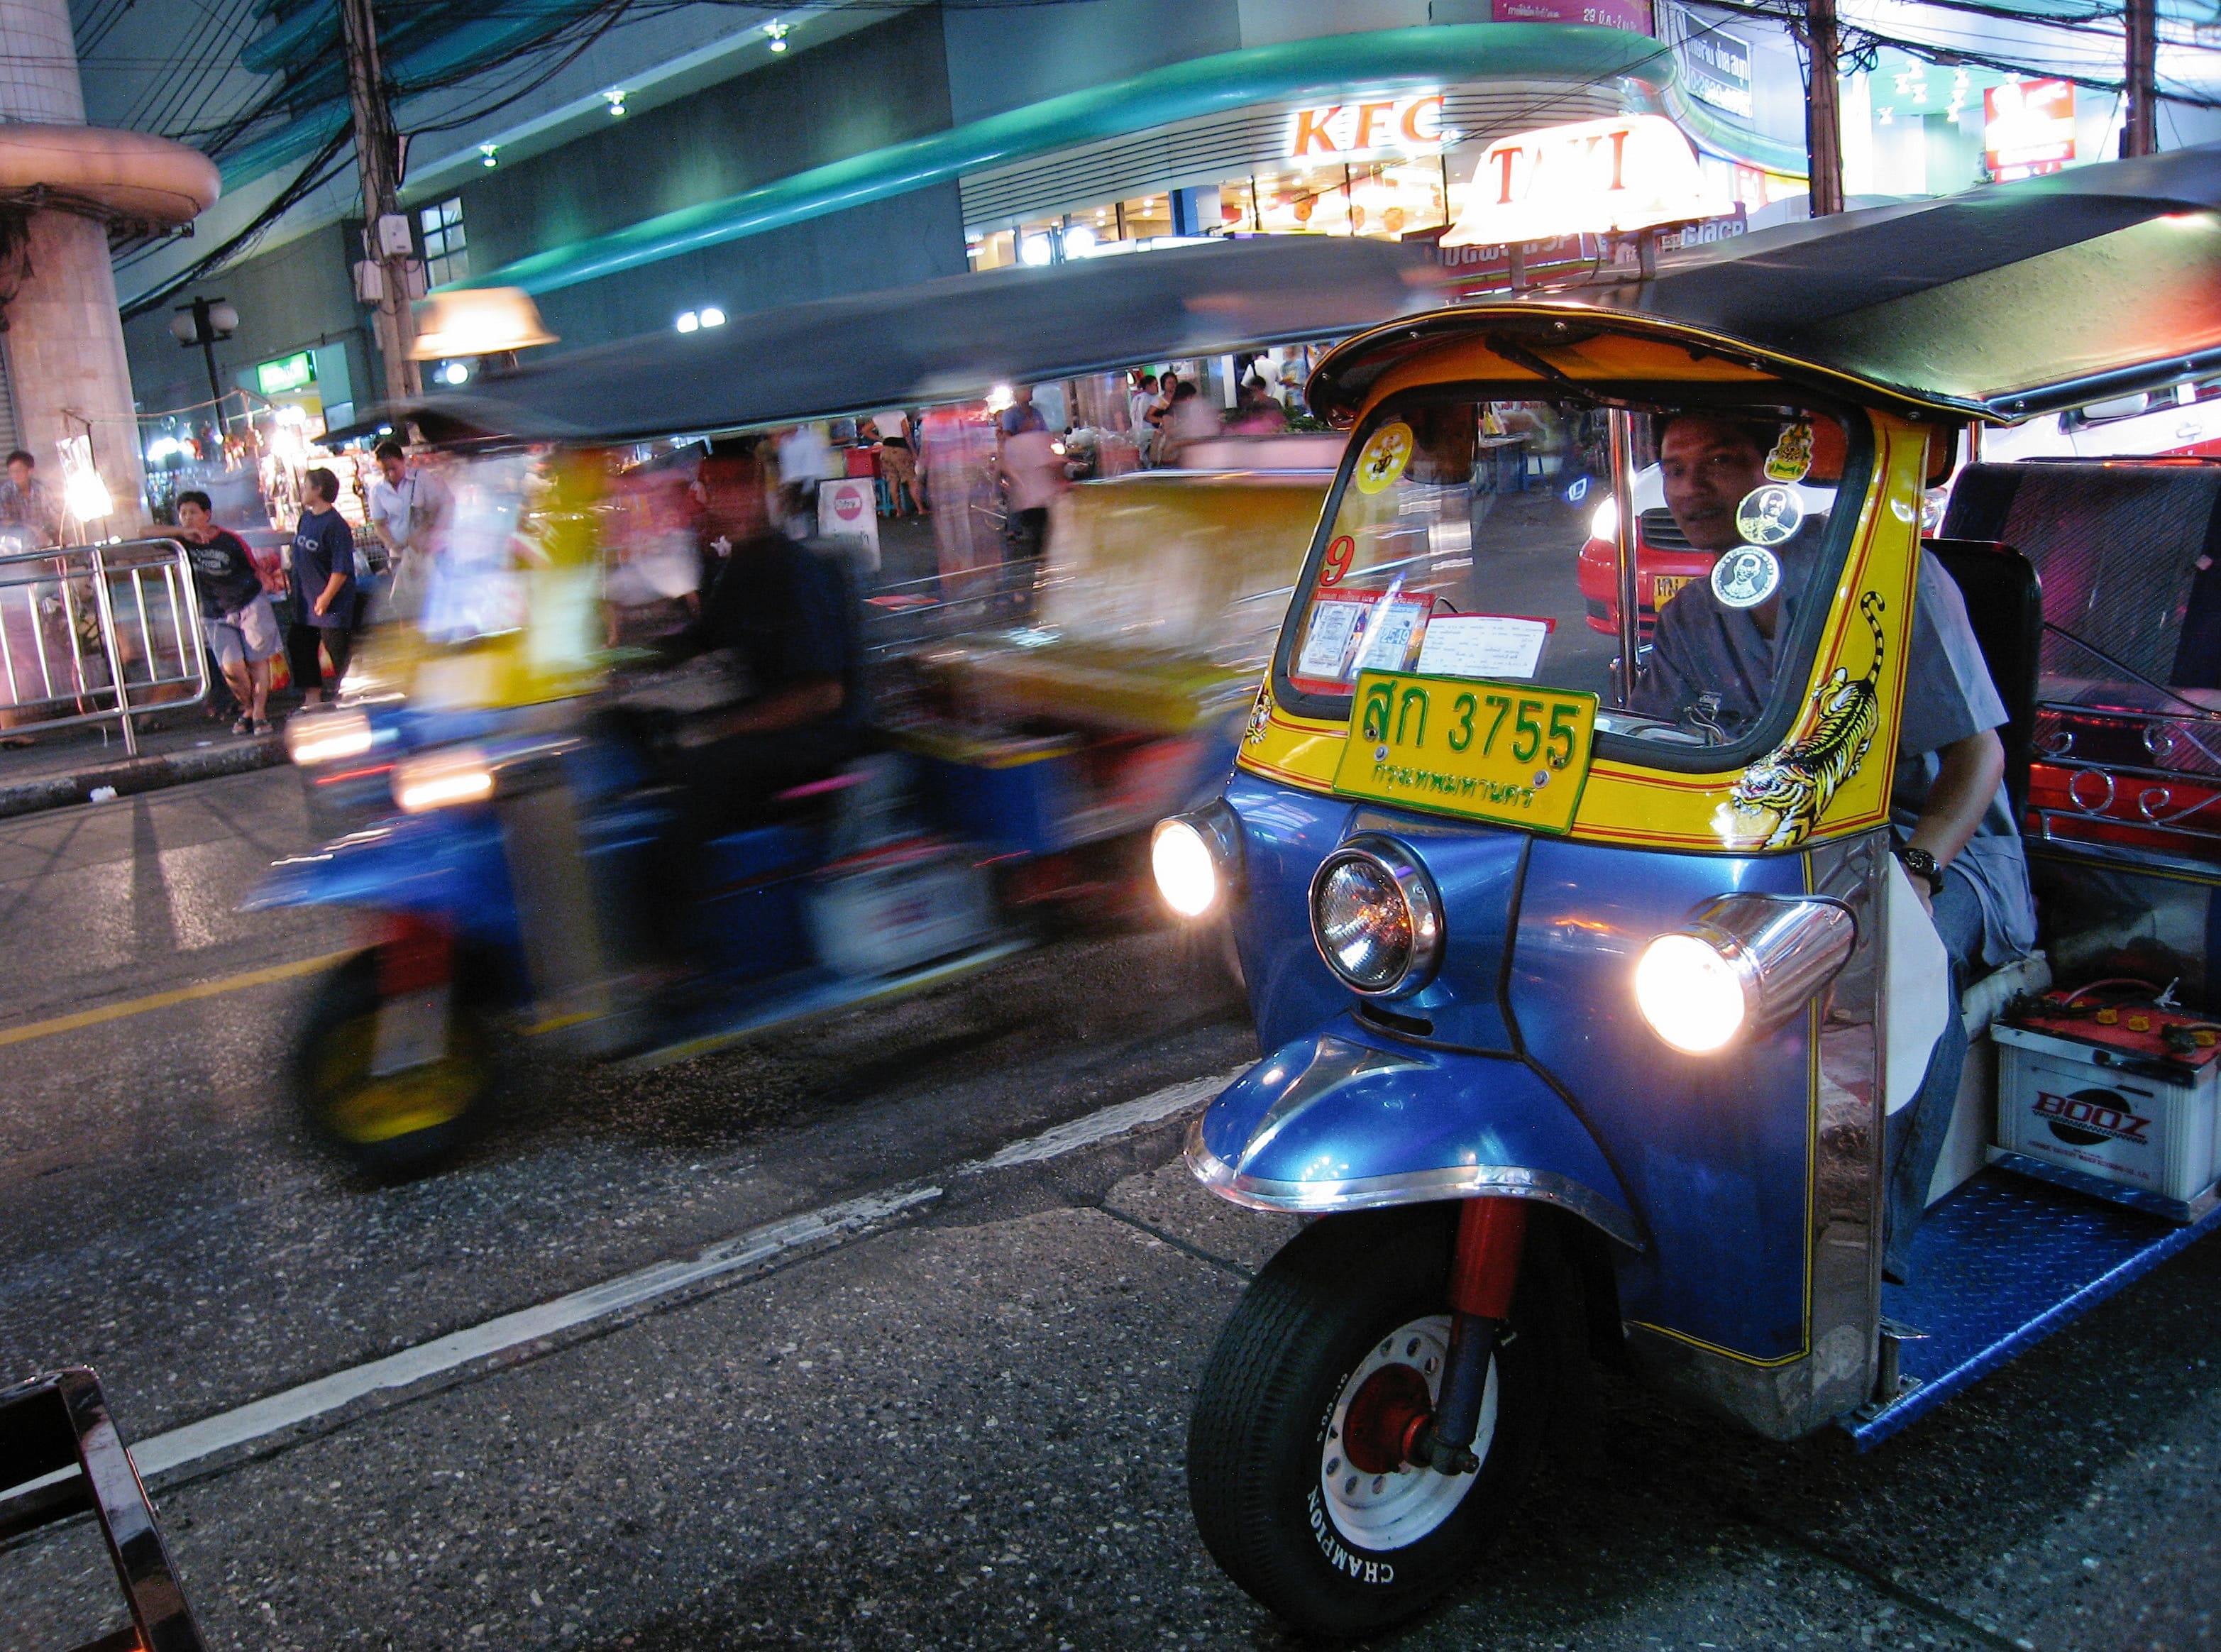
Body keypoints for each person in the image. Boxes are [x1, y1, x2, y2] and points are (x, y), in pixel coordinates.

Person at [1631, 412, 2036, 1282]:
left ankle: (1862, 1256)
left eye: (1722, 460)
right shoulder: (1696, 613)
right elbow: (1669, 750)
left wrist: (1919, 873)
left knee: (1893, 964)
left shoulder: (1894, 581)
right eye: (1674, 468)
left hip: (1935, 842)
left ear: (1776, 473)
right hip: (1783, 851)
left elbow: (1979, 757)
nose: (1693, 489)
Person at [650, 447, 862, 959]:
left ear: (767, 488)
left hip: (817, 740)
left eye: (740, 483)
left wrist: (717, 730)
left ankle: (668, 957)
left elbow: (820, 694)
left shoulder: (795, 571)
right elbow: (703, 644)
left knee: (703, 769)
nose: (729, 498)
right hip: (768, 724)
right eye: (715, 487)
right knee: (651, 740)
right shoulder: (736, 567)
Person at [176, 490, 278, 734]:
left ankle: (258, 712)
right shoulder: (181, 542)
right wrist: (180, 533)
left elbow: (253, 569)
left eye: (193, 513)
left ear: (207, 515)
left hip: (248, 604)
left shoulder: (230, 540)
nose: (188, 518)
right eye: (183, 514)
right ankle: (248, 707)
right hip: (214, 612)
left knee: (256, 662)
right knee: (231, 669)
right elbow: (143, 533)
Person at [288, 468, 358, 705]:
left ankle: (349, 694)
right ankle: (312, 700)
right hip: (304, 599)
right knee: (303, 648)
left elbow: (341, 569)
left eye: (307, 486)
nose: (303, 491)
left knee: (338, 650)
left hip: (330, 605)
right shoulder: (306, 518)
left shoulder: (336, 525)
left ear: (318, 490)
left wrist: (326, 598)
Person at [365, 438, 449, 617]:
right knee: (406, 604)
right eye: (385, 471)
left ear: (403, 461)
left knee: (435, 599)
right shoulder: (377, 491)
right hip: (400, 556)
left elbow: (436, 509)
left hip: (429, 551)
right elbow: (379, 524)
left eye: (393, 468)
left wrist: (420, 533)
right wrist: (391, 543)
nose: (390, 475)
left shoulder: (421, 478)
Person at [998, 415, 1064, 573]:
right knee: (1043, 537)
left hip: (1025, 499)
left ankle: (1039, 569)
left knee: (1036, 536)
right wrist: (1061, 483)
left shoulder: (1012, 445)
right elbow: (1054, 464)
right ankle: (1043, 570)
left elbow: (1005, 470)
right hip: (1041, 497)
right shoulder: (1038, 439)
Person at [0, 450, 59, 547]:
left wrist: (57, 536)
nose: (15, 475)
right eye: (11, 471)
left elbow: (55, 515)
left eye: (18, 471)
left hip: (44, 541)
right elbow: (4, 521)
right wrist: (32, 529)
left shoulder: (42, 489)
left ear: (30, 471)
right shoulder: (5, 492)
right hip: (16, 544)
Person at [878, 412, 924, 517]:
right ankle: (920, 508)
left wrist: (880, 439)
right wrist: (913, 452)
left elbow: (865, 430)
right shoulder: (900, 414)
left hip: (885, 450)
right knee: (911, 479)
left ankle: (899, 511)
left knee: (893, 481)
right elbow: (907, 434)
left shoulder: (878, 416)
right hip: (900, 449)